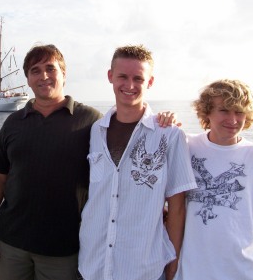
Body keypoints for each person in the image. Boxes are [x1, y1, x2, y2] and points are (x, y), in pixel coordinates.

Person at [0, 44, 102, 280]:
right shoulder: (13, 123)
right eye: (35, 70)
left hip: (64, 249)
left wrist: (162, 123)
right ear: (28, 79)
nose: (43, 76)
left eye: (50, 68)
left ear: (64, 74)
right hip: (11, 245)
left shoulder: (91, 121)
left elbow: (126, 146)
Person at [78, 45, 197, 280]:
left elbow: (177, 205)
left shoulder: (169, 135)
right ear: (110, 76)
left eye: (138, 78)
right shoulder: (95, 130)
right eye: (122, 76)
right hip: (92, 264)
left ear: (150, 82)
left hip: (142, 267)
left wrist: (173, 259)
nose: (129, 85)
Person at [174, 79, 253, 280]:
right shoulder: (185, 146)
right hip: (193, 273)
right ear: (207, 111)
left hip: (246, 273)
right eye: (224, 110)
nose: (233, 119)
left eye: (239, 112)